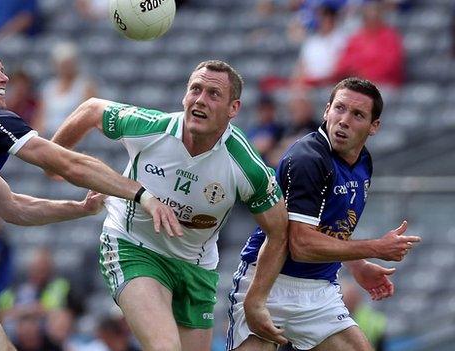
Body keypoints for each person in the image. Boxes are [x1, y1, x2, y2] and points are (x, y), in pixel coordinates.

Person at [0, 39, 181, 351]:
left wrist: (78, 208)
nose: (4, 77)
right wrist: (140, 193)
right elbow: (68, 163)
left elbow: (13, 207)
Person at [51, 60, 289, 350]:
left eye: (213, 94)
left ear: (233, 109)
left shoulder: (246, 165)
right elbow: (91, 110)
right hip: (133, 247)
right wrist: (54, 160)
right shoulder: (153, 127)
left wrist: (256, 300)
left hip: (196, 267)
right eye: (195, 90)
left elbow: (278, 231)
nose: (200, 100)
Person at [226, 77, 422, 351]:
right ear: (326, 111)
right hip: (268, 284)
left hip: (319, 289)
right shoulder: (308, 159)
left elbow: (332, 229)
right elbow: (301, 245)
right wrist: (376, 247)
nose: (344, 120)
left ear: (373, 126)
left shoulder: (363, 161)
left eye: (357, 115)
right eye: (339, 108)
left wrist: (358, 265)